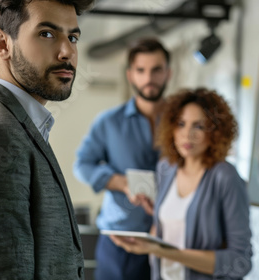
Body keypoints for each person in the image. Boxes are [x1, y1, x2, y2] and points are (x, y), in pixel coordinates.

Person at [0, 0, 94, 278]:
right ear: (2, 44)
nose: (67, 52)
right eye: (46, 34)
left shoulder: (18, 125)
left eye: (72, 37)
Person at [111, 88, 253, 280]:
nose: (187, 134)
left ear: (216, 131)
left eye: (199, 126)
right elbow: (177, 226)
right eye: (181, 124)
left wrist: (161, 251)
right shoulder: (166, 169)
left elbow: (240, 262)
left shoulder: (225, 177)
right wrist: (155, 219)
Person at [73, 38, 171, 280]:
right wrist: (120, 182)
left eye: (156, 69)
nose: (149, 78)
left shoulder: (183, 123)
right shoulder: (109, 122)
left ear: (168, 73)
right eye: (141, 70)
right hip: (122, 238)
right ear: (130, 75)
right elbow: (82, 165)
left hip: (173, 238)